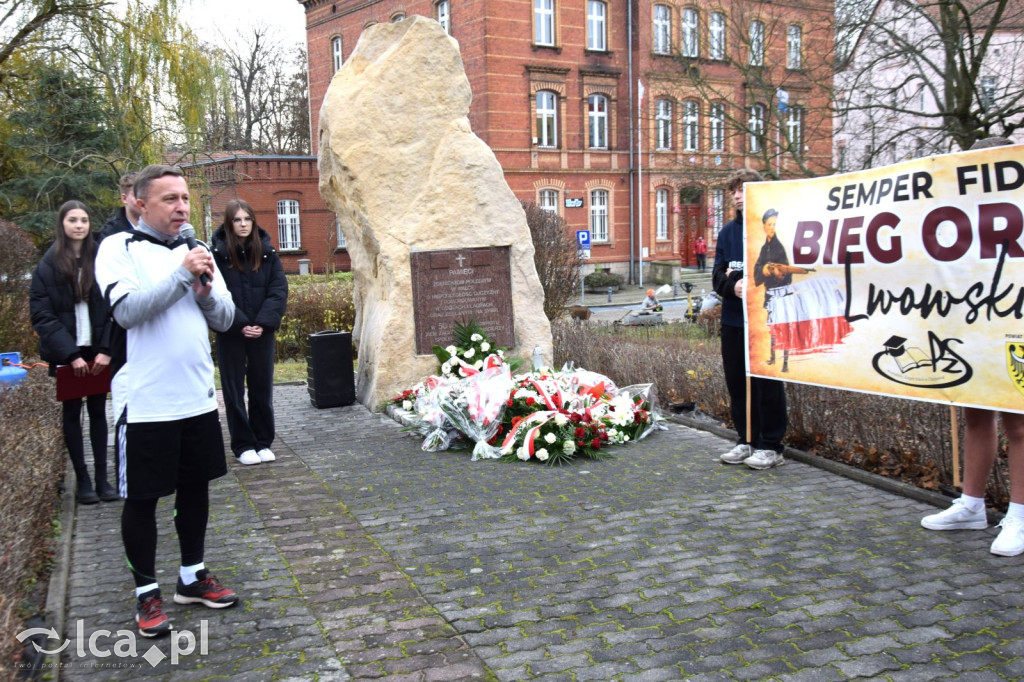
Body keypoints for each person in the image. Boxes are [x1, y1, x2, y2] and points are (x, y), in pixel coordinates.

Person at [95, 165, 239, 638]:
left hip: (196, 397)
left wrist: (202, 292)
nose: (181, 207)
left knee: (197, 488)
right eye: (169, 199)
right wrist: (182, 276)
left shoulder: (196, 251)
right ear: (140, 203)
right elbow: (129, 312)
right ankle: (146, 593)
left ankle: (191, 577)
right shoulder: (118, 248)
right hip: (147, 402)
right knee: (142, 499)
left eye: (184, 198)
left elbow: (225, 317)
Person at [921, 136, 1024, 557]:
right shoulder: (958, 213)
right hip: (971, 328)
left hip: (1015, 329)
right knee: (976, 415)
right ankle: (972, 505)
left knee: (1019, 424)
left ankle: (1018, 514)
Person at [30, 201, 117, 505]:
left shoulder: (101, 258)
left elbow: (113, 307)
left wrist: (106, 349)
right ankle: (83, 481)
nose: (79, 225)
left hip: (97, 352)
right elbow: (42, 315)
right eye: (72, 220)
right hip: (68, 353)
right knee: (72, 414)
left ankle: (104, 479)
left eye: (83, 220)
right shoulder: (49, 263)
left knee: (97, 413)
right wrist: (70, 355)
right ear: (62, 224)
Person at [712, 169, 787, 470]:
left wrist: (746, 279)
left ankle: (771, 446)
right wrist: (733, 285)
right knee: (737, 384)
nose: (737, 195)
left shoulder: (773, 230)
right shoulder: (727, 233)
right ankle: (746, 440)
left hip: (766, 321)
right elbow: (718, 276)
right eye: (733, 191)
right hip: (733, 321)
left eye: (742, 189)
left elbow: (780, 271)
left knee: (767, 384)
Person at [211, 199, 288, 466]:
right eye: (237, 220)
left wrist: (263, 324)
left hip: (261, 334)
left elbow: (278, 291)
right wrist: (239, 323)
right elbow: (215, 295)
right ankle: (243, 445)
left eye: (247, 219)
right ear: (229, 224)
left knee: (261, 388)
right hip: (231, 333)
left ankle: (263, 441)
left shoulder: (268, 254)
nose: (243, 224)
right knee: (233, 391)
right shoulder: (217, 256)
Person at [98, 172, 141, 241]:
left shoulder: (159, 228)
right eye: (136, 196)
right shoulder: (110, 233)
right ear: (124, 199)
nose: (141, 200)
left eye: (145, 195)